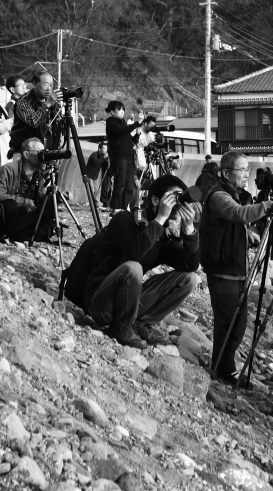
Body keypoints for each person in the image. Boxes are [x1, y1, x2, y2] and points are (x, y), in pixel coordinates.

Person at [200, 151, 273, 384]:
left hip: (235, 269)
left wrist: (246, 235)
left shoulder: (233, 194)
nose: (246, 174)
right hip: (222, 270)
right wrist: (272, 204)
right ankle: (222, 371)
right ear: (226, 173)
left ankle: (225, 368)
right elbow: (237, 214)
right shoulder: (218, 195)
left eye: (248, 169)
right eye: (242, 170)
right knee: (227, 324)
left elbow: (232, 223)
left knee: (239, 323)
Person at [84, 175, 200, 348]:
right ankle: (121, 327)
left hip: (127, 302)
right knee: (134, 267)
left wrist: (189, 230)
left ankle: (142, 322)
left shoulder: (162, 235)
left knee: (189, 279)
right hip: (101, 304)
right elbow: (135, 253)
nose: (177, 203)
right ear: (155, 200)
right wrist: (160, 219)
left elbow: (190, 264)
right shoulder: (124, 219)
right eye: (173, 197)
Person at [0, 137, 55, 243]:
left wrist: (53, 196)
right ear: (26, 154)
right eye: (40, 152)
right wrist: (23, 202)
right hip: (2, 215)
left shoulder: (40, 173)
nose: (43, 155)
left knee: (50, 205)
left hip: (22, 217)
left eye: (44, 151)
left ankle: (16, 234)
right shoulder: (9, 169)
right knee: (10, 205)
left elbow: (41, 197)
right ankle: (2, 233)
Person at [9, 72, 62, 156]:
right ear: (34, 84)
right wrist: (47, 104)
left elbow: (58, 125)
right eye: (45, 84)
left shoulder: (52, 102)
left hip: (46, 149)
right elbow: (33, 122)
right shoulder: (23, 101)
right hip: (24, 151)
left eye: (51, 85)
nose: (49, 89)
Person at [104, 101, 142, 213]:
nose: (122, 112)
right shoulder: (111, 122)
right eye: (119, 110)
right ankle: (116, 208)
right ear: (112, 112)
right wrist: (137, 123)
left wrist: (137, 135)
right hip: (119, 156)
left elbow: (131, 141)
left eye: (123, 110)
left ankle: (124, 208)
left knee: (129, 186)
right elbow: (122, 131)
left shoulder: (123, 123)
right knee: (120, 183)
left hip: (129, 156)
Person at [87, 142, 110, 207]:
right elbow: (96, 162)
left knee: (97, 190)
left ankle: (96, 203)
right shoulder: (94, 155)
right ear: (99, 149)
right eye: (104, 149)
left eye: (106, 149)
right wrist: (103, 158)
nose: (105, 151)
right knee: (91, 190)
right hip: (89, 175)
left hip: (95, 176)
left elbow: (106, 164)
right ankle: (92, 204)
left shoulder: (102, 157)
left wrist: (107, 159)